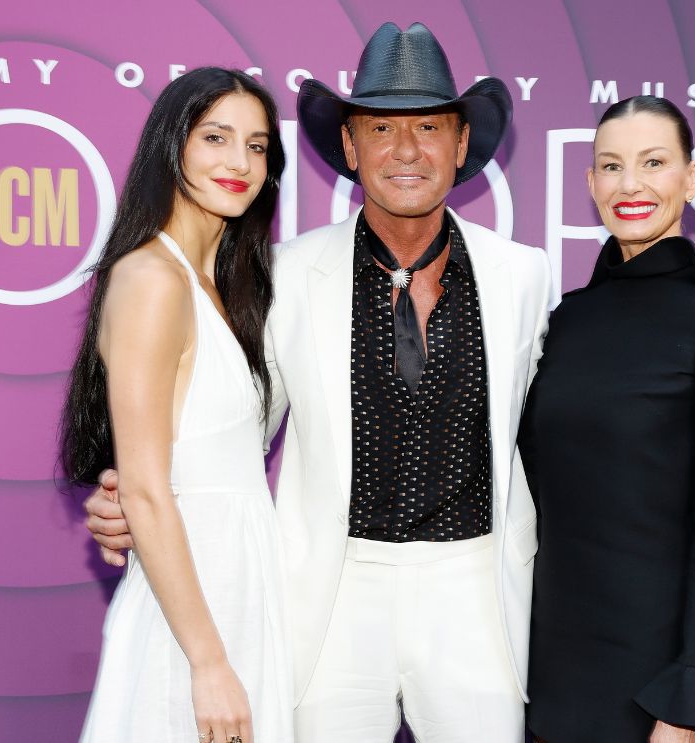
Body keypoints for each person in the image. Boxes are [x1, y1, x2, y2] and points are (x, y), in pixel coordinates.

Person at [84, 23, 550, 742]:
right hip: (330, 596)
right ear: (350, 147)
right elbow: (225, 419)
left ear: (461, 145)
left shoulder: (524, 274)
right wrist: (129, 496)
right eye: (380, 128)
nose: (405, 150)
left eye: (429, 126)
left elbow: (561, 431)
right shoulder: (283, 274)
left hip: (477, 591)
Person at [520, 95, 695, 743]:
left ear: (691, 178)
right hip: (553, 671)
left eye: (653, 162)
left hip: (658, 682)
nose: (629, 184)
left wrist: (689, 700)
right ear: (589, 184)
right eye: (610, 167)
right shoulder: (567, 320)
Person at [62, 68, 291, 743]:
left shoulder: (237, 288)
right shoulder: (150, 277)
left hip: (247, 584)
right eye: (215, 137)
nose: (238, 162)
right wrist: (207, 661)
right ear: (172, 145)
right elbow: (145, 488)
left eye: (256, 146)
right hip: (189, 603)